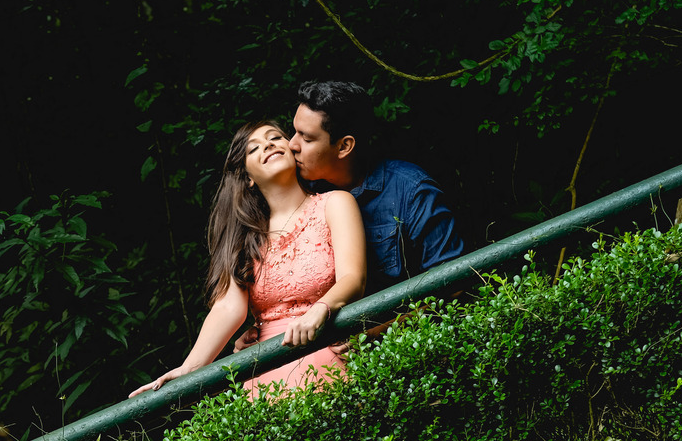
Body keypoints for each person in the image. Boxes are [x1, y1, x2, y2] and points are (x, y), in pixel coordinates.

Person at [129, 120, 366, 399]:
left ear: (292, 150)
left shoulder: (334, 203)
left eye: (275, 138)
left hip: (329, 351)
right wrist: (190, 368)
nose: (268, 145)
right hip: (267, 373)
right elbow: (228, 307)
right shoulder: (244, 236)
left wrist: (319, 310)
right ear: (248, 178)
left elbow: (354, 278)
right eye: (254, 148)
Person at [291, 80, 465, 296]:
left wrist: (390, 321)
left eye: (307, 138)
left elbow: (451, 286)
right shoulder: (301, 191)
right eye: (294, 132)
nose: (292, 144)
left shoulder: (412, 191)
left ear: (344, 146)